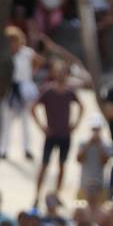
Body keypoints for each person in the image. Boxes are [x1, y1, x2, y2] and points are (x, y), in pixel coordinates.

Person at [31, 62, 84, 203]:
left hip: (65, 135)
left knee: (62, 165)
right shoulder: (48, 91)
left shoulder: (70, 92)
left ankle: (56, 194)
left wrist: (75, 125)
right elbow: (33, 108)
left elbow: (81, 107)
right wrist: (42, 127)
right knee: (44, 165)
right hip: (52, 134)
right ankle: (37, 195)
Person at [0, 26, 38, 161]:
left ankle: (27, 149)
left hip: (25, 89)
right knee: (6, 122)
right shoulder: (5, 55)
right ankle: (3, 149)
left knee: (25, 121)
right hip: (10, 90)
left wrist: (31, 75)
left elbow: (38, 62)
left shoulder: (28, 53)